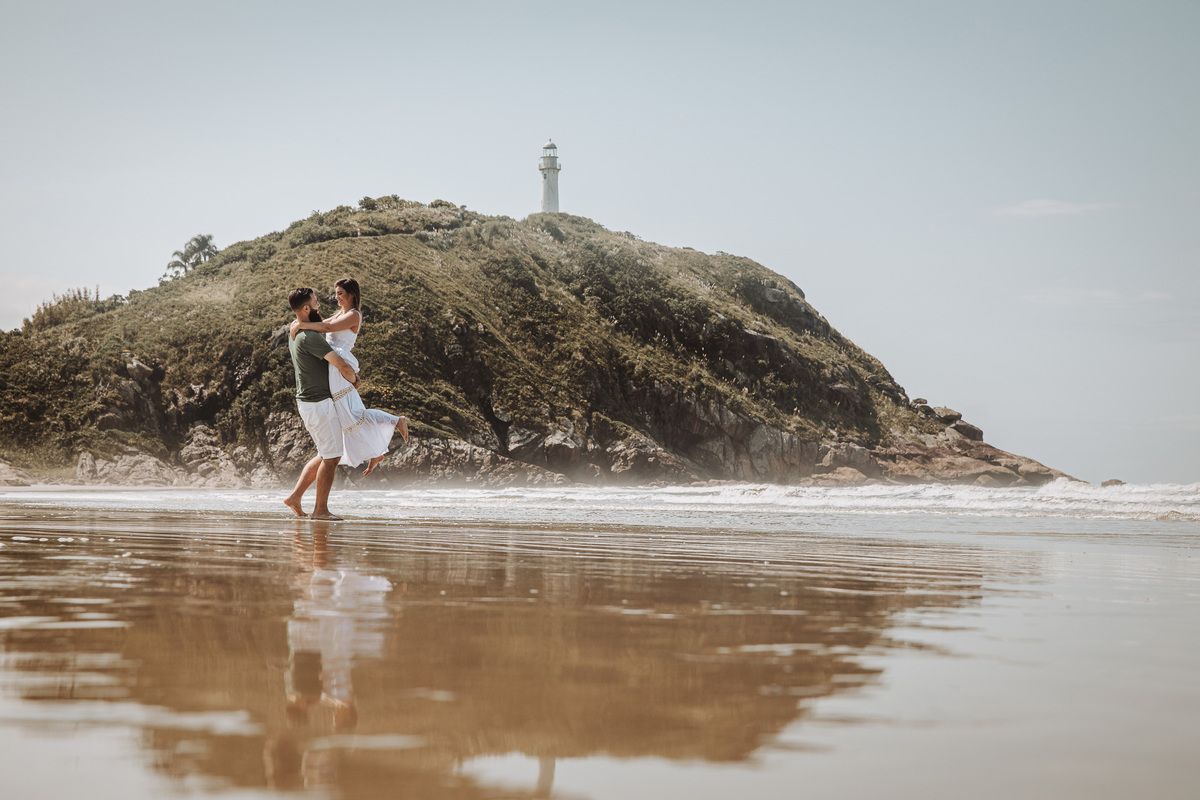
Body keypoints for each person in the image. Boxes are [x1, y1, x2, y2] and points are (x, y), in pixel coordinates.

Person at [290, 277, 409, 476]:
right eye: (336, 293)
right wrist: (298, 322)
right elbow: (323, 322)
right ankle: (375, 451)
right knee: (347, 416)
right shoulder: (341, 313)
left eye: (340, 293)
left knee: (350, 415)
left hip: (340, 364)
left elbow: (327, 329)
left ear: (351, 294)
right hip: (334, 364)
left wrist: (301, 326)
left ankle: (396, 421)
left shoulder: (354, 315)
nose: (336, 297)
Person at [283, 287, 361, 520]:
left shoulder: (295, 333)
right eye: (315, 303)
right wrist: (354, 379)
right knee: (332, 457)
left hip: (308, 402)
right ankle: (320, 511)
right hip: (318, 404)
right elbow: (342, 365)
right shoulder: (311, 337)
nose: (319, 305)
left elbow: (326, 324)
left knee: (325, 453)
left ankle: (295, 497)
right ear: (306, 308)